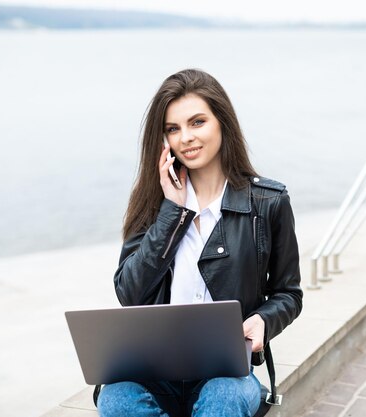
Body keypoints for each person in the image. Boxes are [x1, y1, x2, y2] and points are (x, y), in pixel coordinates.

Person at [96, 69, 303, 417]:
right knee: (116, 399)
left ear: (222, 122)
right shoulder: (152, 203)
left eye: (197, 122)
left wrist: (264, 321)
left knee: (224, 398)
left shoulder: (268, 203)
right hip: (153, 371)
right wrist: (171, 213)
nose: (186, 138)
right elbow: (129, 294)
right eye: (173, 129)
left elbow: (289, 293)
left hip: (226, 373)